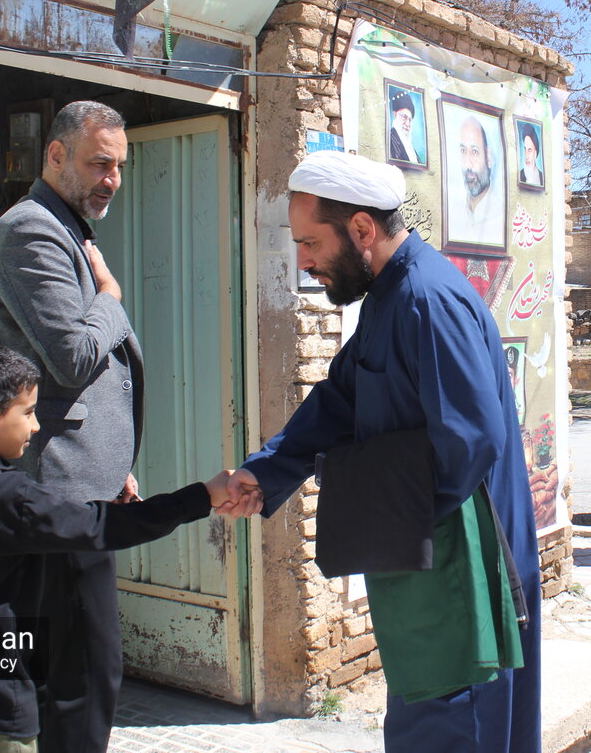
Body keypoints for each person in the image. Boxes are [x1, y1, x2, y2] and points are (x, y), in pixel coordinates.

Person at [217, 150, 541, 752]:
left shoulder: (426, 299)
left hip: (459, 568)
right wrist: (267, 472)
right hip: (424, 556)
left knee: (454, 730)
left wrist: (374, 520)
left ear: (362, 229)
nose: (303, 259)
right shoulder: (390, 296)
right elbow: (343, 396)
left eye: (311, 242)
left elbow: (471, 443)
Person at [0, 341, 232, 753]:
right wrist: (204, 496)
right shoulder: (5, 495)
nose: (36, 427)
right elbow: (101, 527)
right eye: (30, 412)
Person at [0, 100, 141, 753]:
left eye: (119, 167)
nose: (111, 179)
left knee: (71, 668)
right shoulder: (31, 233)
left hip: (78, 481)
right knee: (83, 673)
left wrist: (111, 459)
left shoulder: (68, 229)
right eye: (99, 162)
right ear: (55, 155)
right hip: (56, 491)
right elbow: (71, 358)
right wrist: (110, 301)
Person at [447, 115, 506, 249]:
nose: (468, 164)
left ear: (488, 157)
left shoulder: (503, 216)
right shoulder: (452, 213)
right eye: (463, 151)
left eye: (474, 151)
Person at [388, 91, 420, 164]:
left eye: (410, 120)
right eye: (404, 117)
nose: (407, 124)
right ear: (395, 114)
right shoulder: (389, 138)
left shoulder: (409, 145)